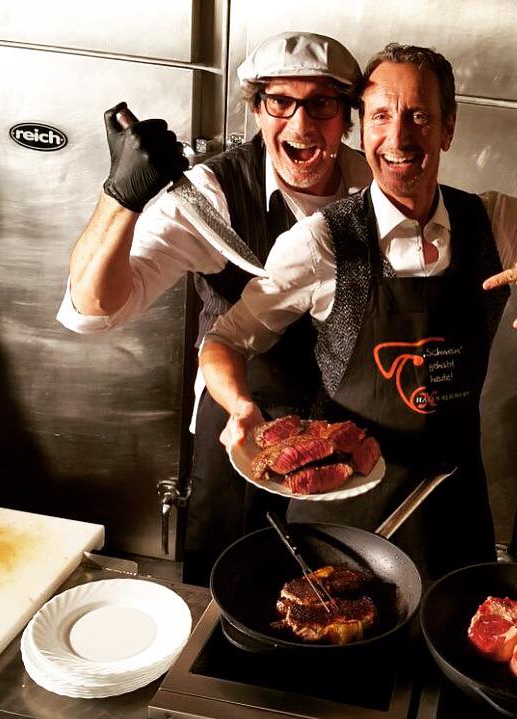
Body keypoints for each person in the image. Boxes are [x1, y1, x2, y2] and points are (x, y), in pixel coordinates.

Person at [200, 43, 517, 579]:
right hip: (343, 510)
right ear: (362, 131)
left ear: (448, 129)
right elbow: (224, 340)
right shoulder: (320, 242)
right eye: (380, 116)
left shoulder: (492, 222)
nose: (398, 138)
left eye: (419, 116)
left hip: (453, 506)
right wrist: (239, 406)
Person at [57, 31, 372, 585]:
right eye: (280, 102)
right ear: (258, 108)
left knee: (343, 579)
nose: (301, 124)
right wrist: (120, 197)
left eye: (322, 104)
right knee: (230, 583)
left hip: (351, 415)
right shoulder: (213, 194)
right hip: (240, 410)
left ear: (347, 116)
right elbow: (92, 307)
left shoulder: (376, 186)